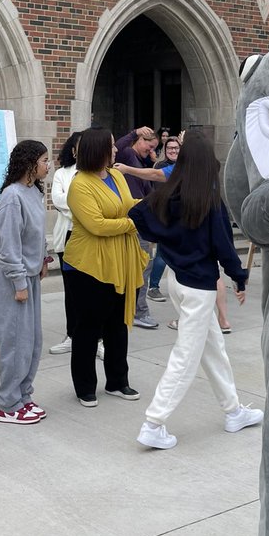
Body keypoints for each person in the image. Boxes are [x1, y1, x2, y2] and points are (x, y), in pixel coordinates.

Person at [129, 132, 263, 450]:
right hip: (199, 287)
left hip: (177, 281)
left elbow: (137, 216)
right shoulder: (209, 199)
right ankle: (154, 422)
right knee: (186, 357)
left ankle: (233, 411)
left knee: (213, 347)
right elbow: (223, 245)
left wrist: (169, 240)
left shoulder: (168, 192)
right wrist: (239, 277)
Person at [64, 127, 148, 407]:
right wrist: (135, 222)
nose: (115, 150)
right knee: (88, 328)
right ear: (97, 149)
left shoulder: (116, 176)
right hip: (89, 266)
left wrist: (149, 207)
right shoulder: (80, 184)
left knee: (117, 325)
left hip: (120, 260)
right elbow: (97, 225)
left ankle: (117, 381)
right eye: (111, 146)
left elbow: (128, 206)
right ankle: (85, 387)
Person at [0, 140, 51, 424]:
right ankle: (8, 405)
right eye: (44, 160)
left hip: (31, 276)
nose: (48, 166)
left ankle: (24, 396)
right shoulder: (11, 197)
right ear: (29, 164)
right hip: (14, 282)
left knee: (32, 342)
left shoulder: (33, 193)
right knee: (15, 343)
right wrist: (19, 283)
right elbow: (7, 245)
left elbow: (37, 235)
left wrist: (43, 260)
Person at [115, 125, 167, 328]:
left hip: (139, 219)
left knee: (142, 266)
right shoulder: (128, 154)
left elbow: (148, 189)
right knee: (143, 266)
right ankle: (139, 311)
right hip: (134, 220)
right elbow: (119, 147)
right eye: (149, 145)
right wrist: (134, 133)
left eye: (155, 148)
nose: (151, 151)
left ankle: (135, 309)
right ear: (140, 140)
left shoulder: (138, 161)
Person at [48, 131, 82, 354]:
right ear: (73, 150)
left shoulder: (102, 174)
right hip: (69, 237)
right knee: (71, 289)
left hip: (92, 238)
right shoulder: (62, 173)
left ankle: (97, 338)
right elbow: (57, 199)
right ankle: (72, 335)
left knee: (93, 289)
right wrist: (83, 210)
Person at [146, 134, 181, 303]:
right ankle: (153, 287)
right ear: (165, 150)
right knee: (162, 253)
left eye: (176, 148)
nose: (173, 150)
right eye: (170, 148)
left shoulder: (185, 166)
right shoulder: (160, 166)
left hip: (181, 216)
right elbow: (162, 192)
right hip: (165, 215)